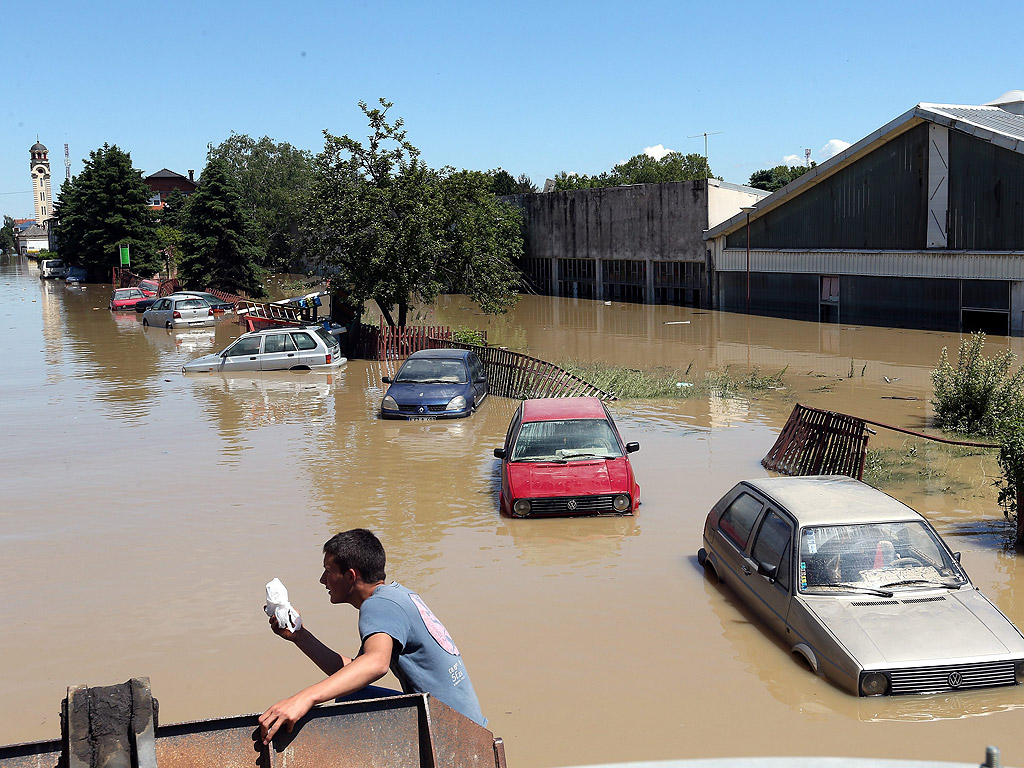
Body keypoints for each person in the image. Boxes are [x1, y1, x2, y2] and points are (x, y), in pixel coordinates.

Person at [258, 529, 486, 744]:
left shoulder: (379, 605)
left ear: (350, 576)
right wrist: (301, 636)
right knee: (349, 695)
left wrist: (304, 698)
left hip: (457, 733)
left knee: (346, 704)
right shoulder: (396, 596)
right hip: (467, 724)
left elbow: (376, 664)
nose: (322, 580)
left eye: (328, 571)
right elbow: (354, 672)